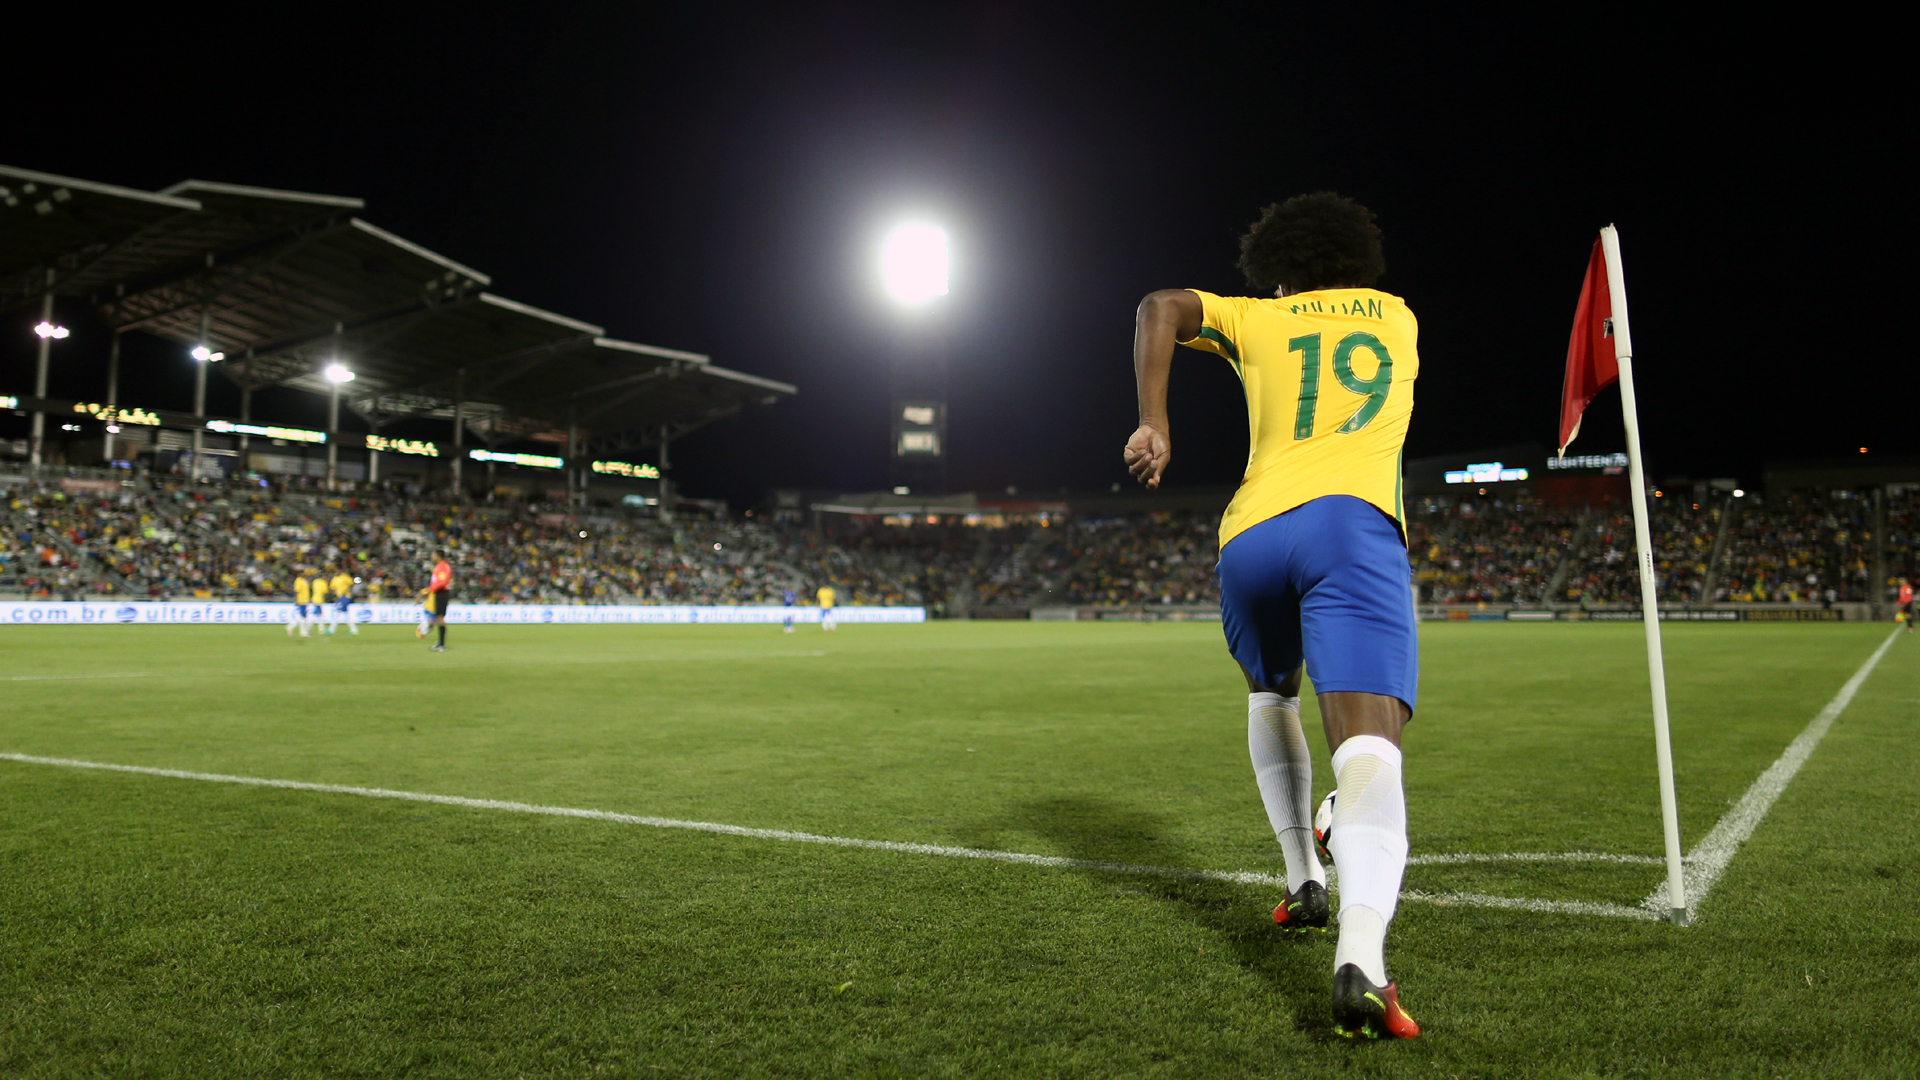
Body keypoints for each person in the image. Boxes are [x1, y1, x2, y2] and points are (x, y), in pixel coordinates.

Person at [1123, 192, 1420, 1039]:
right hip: (1349, 521)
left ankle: (1302, 877)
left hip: (1249, 534)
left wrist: (1154, 421)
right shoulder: (1396, 317)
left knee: (1270, 695)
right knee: (1367, 746)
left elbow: (1158, 307)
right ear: (1356, 264)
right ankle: (1361, 957)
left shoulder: (1257, 317)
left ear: (1275, 271)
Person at [424, 551, 452, 652]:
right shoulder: (440, 566)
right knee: (438, 617)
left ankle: (442, 644)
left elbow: (442, 582)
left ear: (438, 556)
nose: (432, 556)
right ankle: (440, 642)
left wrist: (431, 589)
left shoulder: (442, 566)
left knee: (440, 618)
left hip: (441, 593)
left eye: (433, 555)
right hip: (439, 593)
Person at [328, 567, 358, 636]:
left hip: (345, 596)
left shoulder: (345, 577)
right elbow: (332, 588)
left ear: (340, 570)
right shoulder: (334, 579)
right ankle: (354, 630)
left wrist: (346, 590)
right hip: (340, 597)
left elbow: (351, 583)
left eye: (338, 570)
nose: (337, 571)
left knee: (337, 612)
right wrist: (335, 595)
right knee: (345, 613)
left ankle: (332, 629)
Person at [289, 569, 313, 638]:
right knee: (303, 616)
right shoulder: (298, 581)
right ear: (299, 574)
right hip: (301, 600)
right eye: (303, 573)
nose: (304, 574)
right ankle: (302, 632)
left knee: (302, 616)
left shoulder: (304, 581)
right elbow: (297, 591)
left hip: (305, 600)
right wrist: (296, 600)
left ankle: (290, 627)